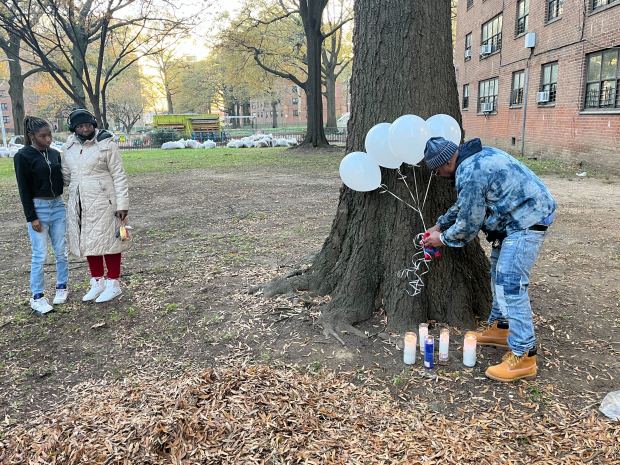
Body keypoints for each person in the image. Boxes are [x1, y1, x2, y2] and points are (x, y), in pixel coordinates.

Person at [421, 136, 556, 382]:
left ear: (445, 162)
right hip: (513, 221)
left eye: (437, 169)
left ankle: (525, 354)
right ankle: (501, 328)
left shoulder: (470, 171)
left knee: (510, 285)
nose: (438, 174)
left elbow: (468, 223)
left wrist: (441, 239)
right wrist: (440, 224)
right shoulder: (475, 160)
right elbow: (465, 205)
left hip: (526, 221)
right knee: (497, 275)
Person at [62, 109, 131, 303]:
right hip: (80, 200)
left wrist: (122, 203)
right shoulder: (69, 147)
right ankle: (97, 280)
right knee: (89, 241)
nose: (85, 129)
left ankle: (113, 283)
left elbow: (119, 175)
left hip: (105, 200)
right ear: (74, 128)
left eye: (88, 125)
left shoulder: (106, 144)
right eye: (80, 126)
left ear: (93, 124)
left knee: (111, 241)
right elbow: (66, 175)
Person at [14, 116, 69, 314]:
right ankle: (37, 296)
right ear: (32, 136)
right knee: (40, 254)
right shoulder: (23, 156)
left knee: (61, 250)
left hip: (58, 205)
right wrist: (32, 217)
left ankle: (62, 286)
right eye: (43, 136)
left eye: (50, 135)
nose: (48, 139)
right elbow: (24, 189)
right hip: (39, 207)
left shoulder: (54, 154)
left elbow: (62, 179)